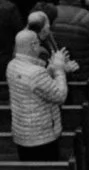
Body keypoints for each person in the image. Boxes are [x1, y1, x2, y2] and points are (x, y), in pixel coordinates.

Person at [6, 29, 70, 161]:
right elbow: (60, 96)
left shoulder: (11, 66)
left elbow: (35, 87)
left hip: (22, 135)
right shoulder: (36, 74)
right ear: (34, 45)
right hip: (42, 137)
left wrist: (49, 71)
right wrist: (59, 70)